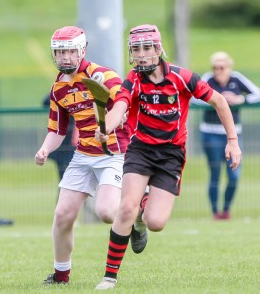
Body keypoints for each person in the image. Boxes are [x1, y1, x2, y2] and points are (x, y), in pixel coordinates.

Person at [94, 24, 242, 290]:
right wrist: (108, 126)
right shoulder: (134, 79)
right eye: (136, 49)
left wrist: (233, 141)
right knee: (126, 207)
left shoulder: (182, 77)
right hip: (140, 150)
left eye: (146, 48)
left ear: (158, 49)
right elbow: (120, 106)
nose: (140, 55)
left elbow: (219, 101)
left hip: (171, 154)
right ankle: (109, 276)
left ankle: (142, 220)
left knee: (156, 222)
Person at [34, 25, 130, 284]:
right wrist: (44, 149)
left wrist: (106, 126)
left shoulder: (101, 74)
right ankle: (61, 276)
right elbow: (57, 129)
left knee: (107, 213)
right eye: (59, 52)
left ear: (82, 51)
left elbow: (123, 101)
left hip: (113, 152)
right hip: (84, 155)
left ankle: (138, 212)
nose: (64, 57)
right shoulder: (58, 89)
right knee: (63, 215)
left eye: (70, 52)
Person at [191, 51, 260, 220]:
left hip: (233, 134)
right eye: (215, 67)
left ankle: (227, 208)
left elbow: (257, 94)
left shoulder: (237, 79)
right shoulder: (208, 79)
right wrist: (217, 100)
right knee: (214, 173)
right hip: (210, 133)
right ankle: (216, 213)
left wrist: (239, 99)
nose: (218, 71)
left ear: (229, 67)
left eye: (221, 67)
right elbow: (193, 98)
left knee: (234, 175)